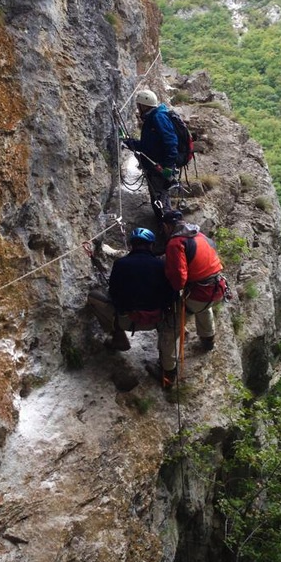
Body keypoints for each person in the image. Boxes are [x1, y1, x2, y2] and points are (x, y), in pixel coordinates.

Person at [87, 228, 179, 386]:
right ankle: (167, 370)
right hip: (158, 321)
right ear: (151, 245)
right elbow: (171, 295)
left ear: (131, 245)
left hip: (127, 321)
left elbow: (113, 294)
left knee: (93, 297)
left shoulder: (120, 264)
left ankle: (118, 337)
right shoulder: (161, 265)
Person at [161, 210, 227, 351]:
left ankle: (168, 370)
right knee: (204, 308)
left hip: (199, 295)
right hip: (218, 288)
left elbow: (179, 280)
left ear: (167, 226)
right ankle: (208, 341)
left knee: (169, 329)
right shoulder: (201, 236)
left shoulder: (175, 243)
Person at [122, 89, 179, 218]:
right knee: (157, 198)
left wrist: (168, 167)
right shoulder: (153, 117)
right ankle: (164, 226)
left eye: (138, 106)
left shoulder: (158, 118)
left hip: (161, 167)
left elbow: (171, 142)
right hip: (156, 166)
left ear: (143, 105)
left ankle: (170, 230)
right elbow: (148, 145)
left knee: (161, 201)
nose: (138, 109)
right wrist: (129, 142)